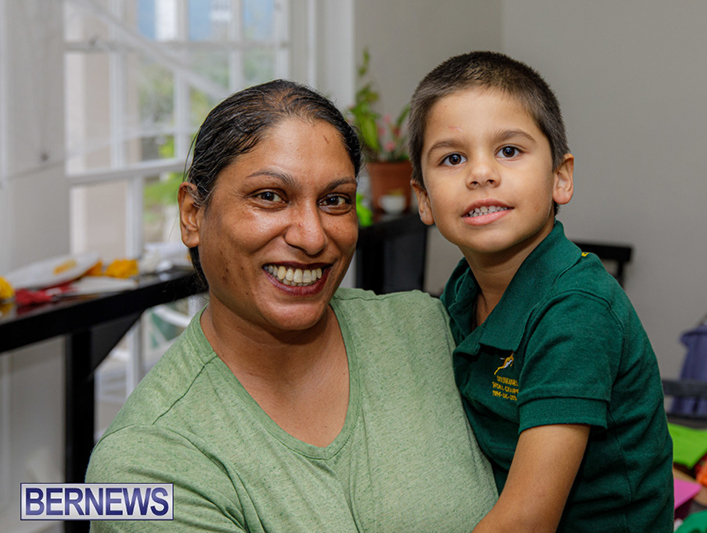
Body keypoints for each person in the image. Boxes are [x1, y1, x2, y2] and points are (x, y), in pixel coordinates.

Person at [85, 80, 497, 531]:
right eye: (269, 196)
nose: (312, 236)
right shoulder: (143, 468)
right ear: (191, 215)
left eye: (334, 201)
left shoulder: (426, 332)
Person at [408, 51, 674, 532]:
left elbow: (527, 522)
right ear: (424, 200)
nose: (480, 173)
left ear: (560, 177)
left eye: (509, 150)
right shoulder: (462, 291)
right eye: (452, 158)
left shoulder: (576, 311)